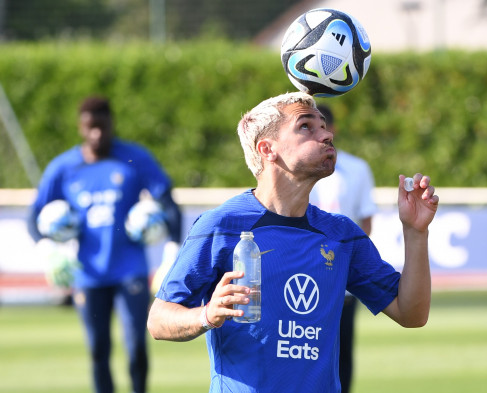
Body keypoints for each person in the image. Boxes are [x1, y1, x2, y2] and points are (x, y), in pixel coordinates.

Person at [147, 91, 438, 393]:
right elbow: (158, 321)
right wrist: (206, 315)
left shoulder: (342, 234)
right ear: (267, 149)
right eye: (306, 126)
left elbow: (411, 313)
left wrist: (416, 231)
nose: (326, 135)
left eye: (324, 126)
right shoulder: (222, 226)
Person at [28, 96, 182, 393]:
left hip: (130, 270)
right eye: (91, 127)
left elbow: (169, 203)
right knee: (98, 350)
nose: (97, 134)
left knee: (136, 344)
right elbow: (33, 216)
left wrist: (171, 251)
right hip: (88, 273)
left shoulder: (134, 158)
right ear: (81, 127)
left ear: (112, 124)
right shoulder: (64, 167)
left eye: (103, 126)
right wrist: (46, 249)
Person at [309, 104, 377, 393]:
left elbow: (366, 222)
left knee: (341, 352)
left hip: (342, 278)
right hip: (304, 272)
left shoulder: (357, 168)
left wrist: (349, 262)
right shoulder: (292, 168)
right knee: (300, 350)